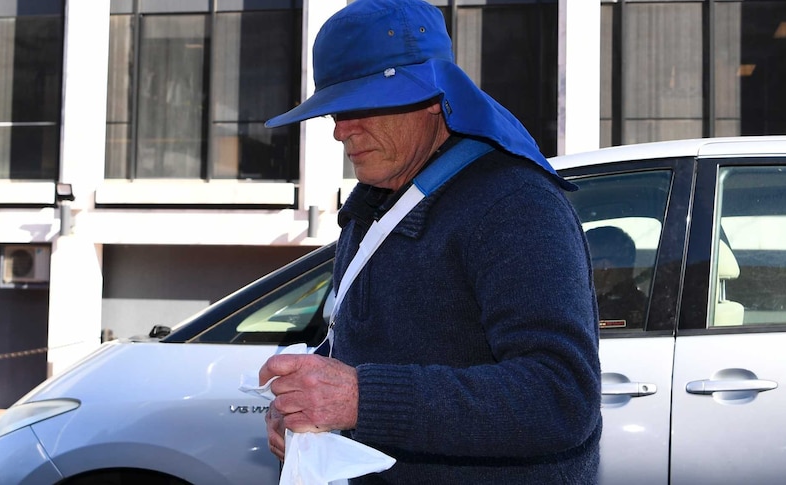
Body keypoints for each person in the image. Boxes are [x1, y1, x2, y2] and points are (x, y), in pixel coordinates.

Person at [258, 0, 602, 483]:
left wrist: (360, 398)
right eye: (334, 110)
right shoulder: (374, 203)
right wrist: (302, 407)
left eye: (359, 106)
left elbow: (560, 397)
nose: (340, 131)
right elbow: (364, 353)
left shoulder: (515, 205)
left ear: (432, 98)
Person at [585, 226, 648, 328]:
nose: (581, 268)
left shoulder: (606, 314)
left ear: (604, 266)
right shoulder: (643, 305)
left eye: (585, 261)